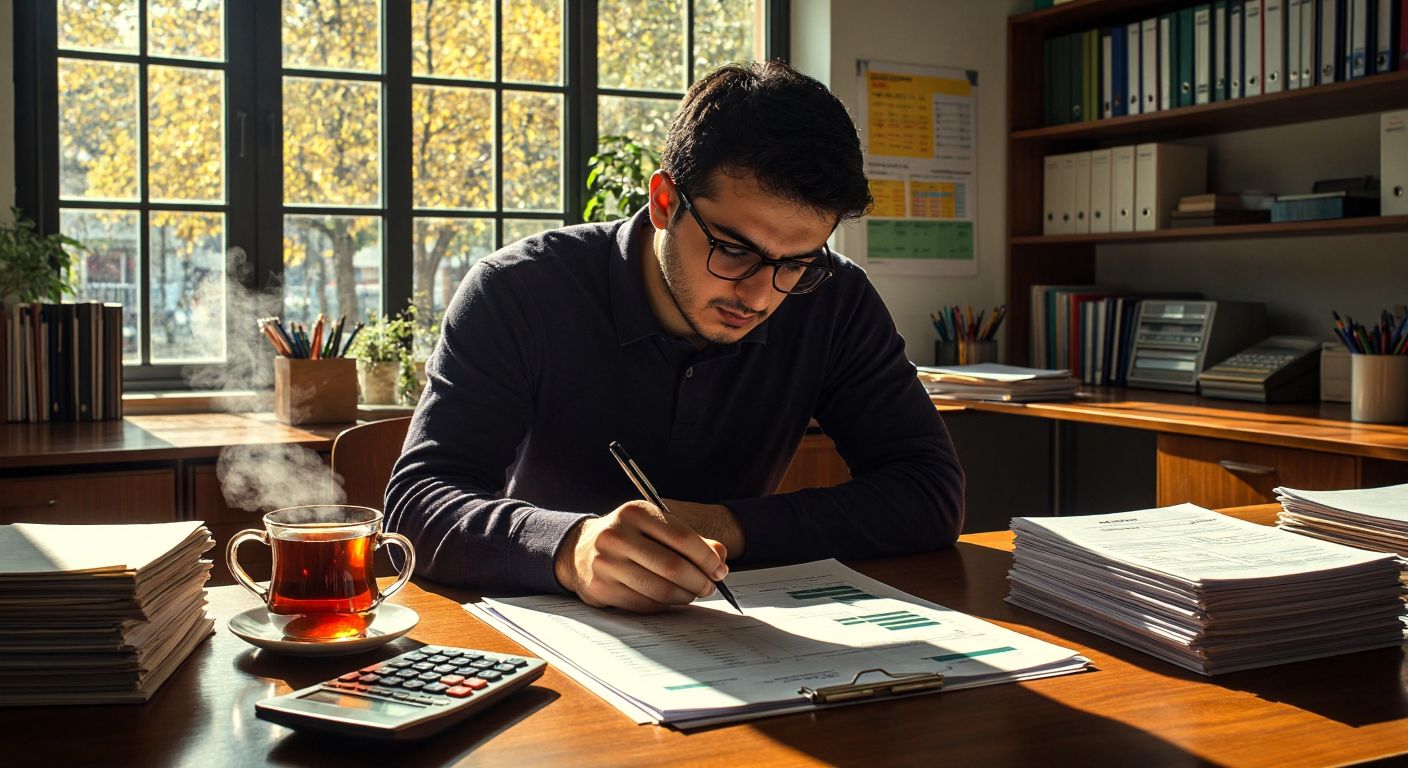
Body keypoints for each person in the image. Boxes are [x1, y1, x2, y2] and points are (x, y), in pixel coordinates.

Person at [386, 60, 964, 613]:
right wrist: (571, 548)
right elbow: (416, 507)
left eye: (798, 262)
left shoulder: (834, 299)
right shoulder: (517, 291)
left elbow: (929, 492)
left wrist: (723, 527)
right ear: (664, 202)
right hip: (545, 634)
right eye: (734, 251)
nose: (762, 297)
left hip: (742, 635)